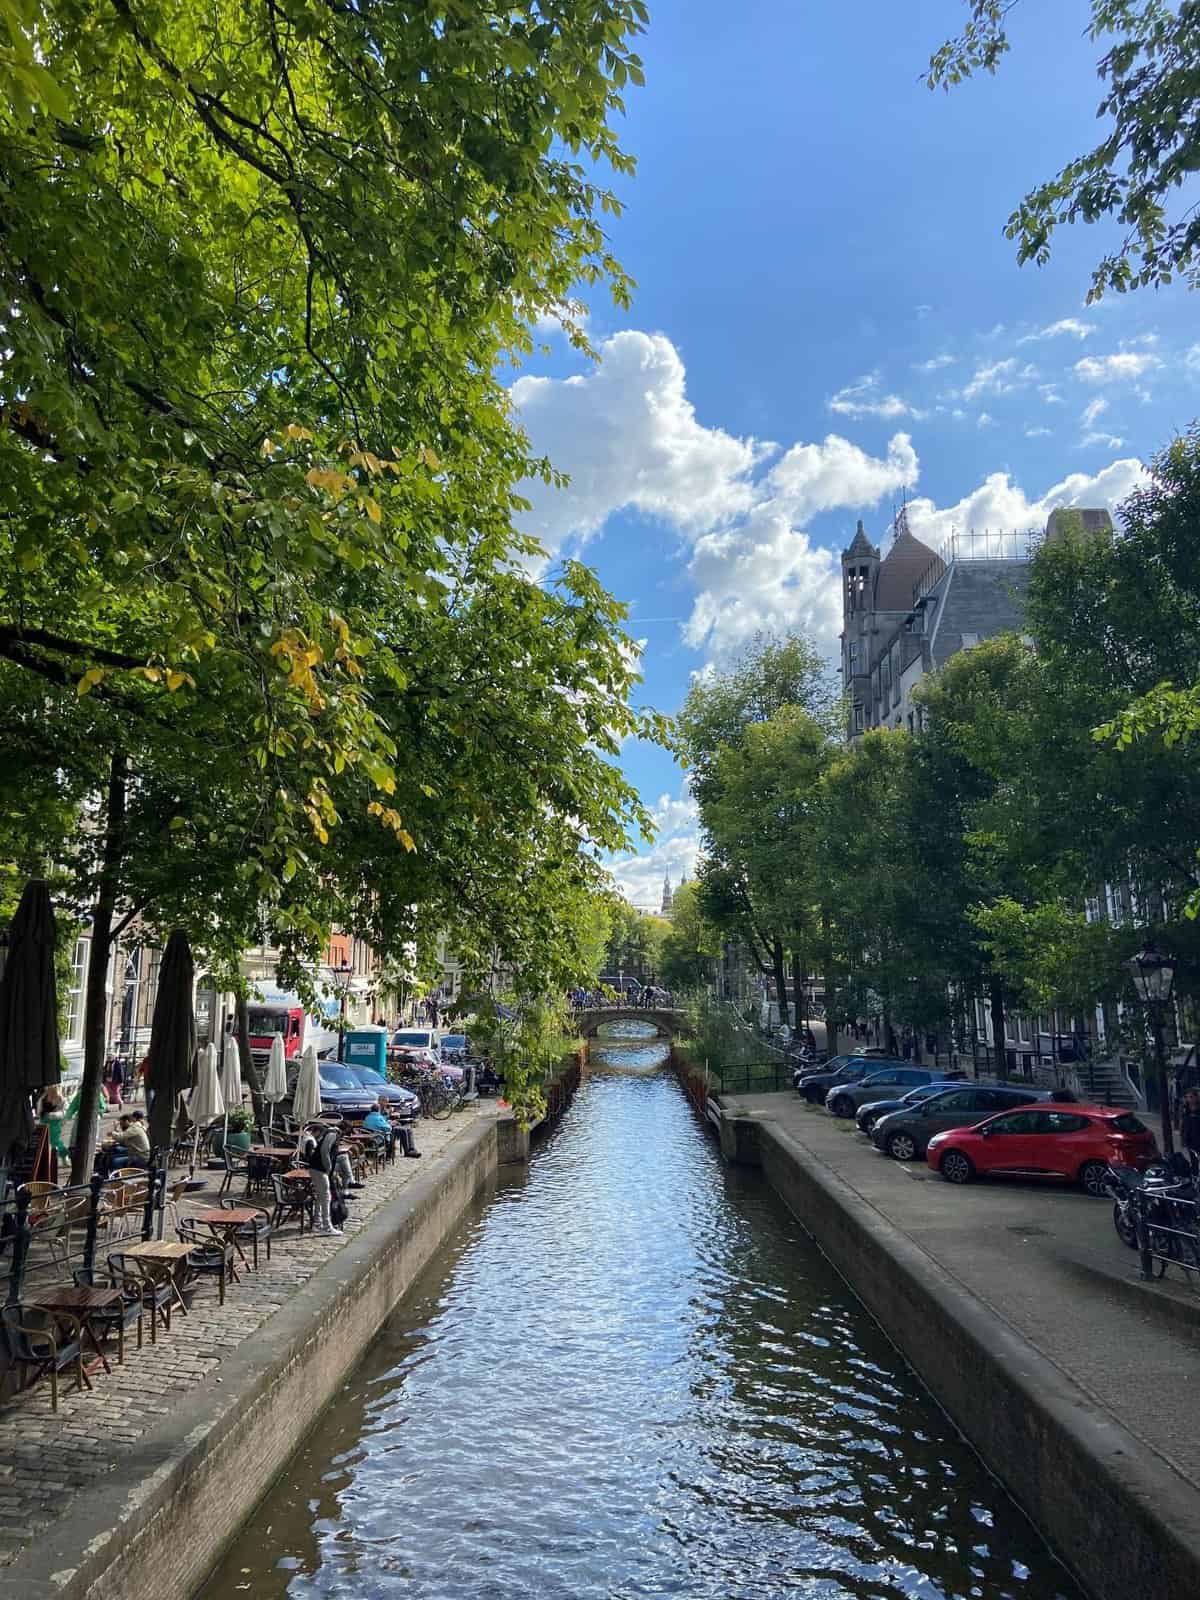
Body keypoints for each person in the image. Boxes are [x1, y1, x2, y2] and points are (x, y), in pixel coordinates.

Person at [300, 1121, 343, 1236]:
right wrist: (328, 1168)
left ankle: (317, 1223)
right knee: (326, 1197)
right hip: (320, 1169)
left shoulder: (328, 1133)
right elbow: (324, 1150)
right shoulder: (333, 1134)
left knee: (320, 1196)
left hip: (315, 1168)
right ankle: (327, 1226)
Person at [1177, 1088, 1200, 1177]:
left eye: (1191, 1097)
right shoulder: (1185, 1108)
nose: (1189, 1099)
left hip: (1198, 1136)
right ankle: (1195, 1176)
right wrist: (1182, 1137)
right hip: (1189, 1138)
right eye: (1187, 1097)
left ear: (1196, 1097)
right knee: (1193, 1159)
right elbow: (1182, 1122)